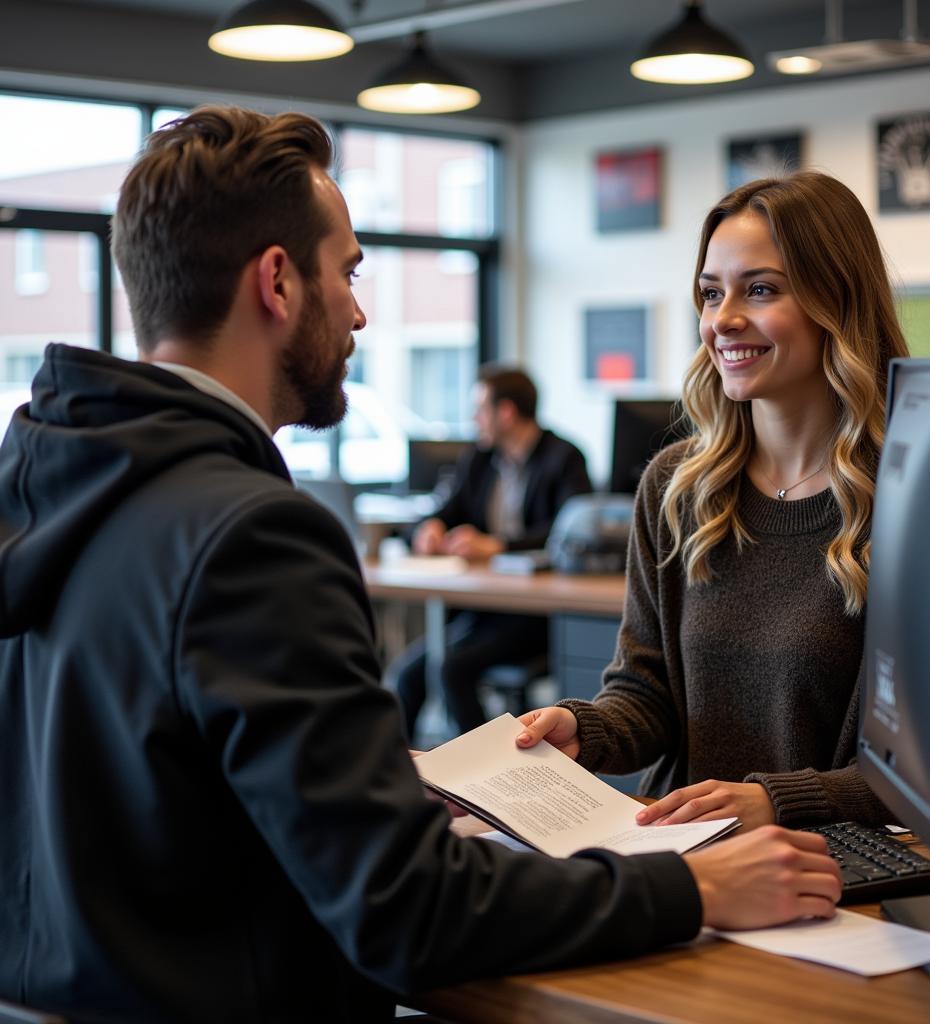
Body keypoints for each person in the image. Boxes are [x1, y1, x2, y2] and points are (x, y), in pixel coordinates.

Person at [0, 108, 841, 1024]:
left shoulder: (54, 483)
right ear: (277, 282)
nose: (359, 310)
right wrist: (695, 893)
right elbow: (411, 912)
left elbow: (146, 783)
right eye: (349, 271)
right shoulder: (253, 535)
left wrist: (366, 791)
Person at [518, 171, 911, 834]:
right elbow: (647, 698)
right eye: (710, 293)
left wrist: (775, 801)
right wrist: (583, 730)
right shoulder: (678, 488)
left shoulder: (909, 502)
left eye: (759, 289)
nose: (722, 319)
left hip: (838, 878)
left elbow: (928, 782)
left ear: (835, 301)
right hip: (685, 860)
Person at [392, 365, 591, 737]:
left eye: (479, 409)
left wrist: (498, 546)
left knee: (450, 668)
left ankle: (489, 773)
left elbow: (570, 531)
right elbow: (443, 511)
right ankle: (397, 777)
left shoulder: (564, 458)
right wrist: (427, 530)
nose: (473, 419)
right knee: (407, 675)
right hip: (482, 609)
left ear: (506, 412)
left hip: (533, 616)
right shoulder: (480, 460)